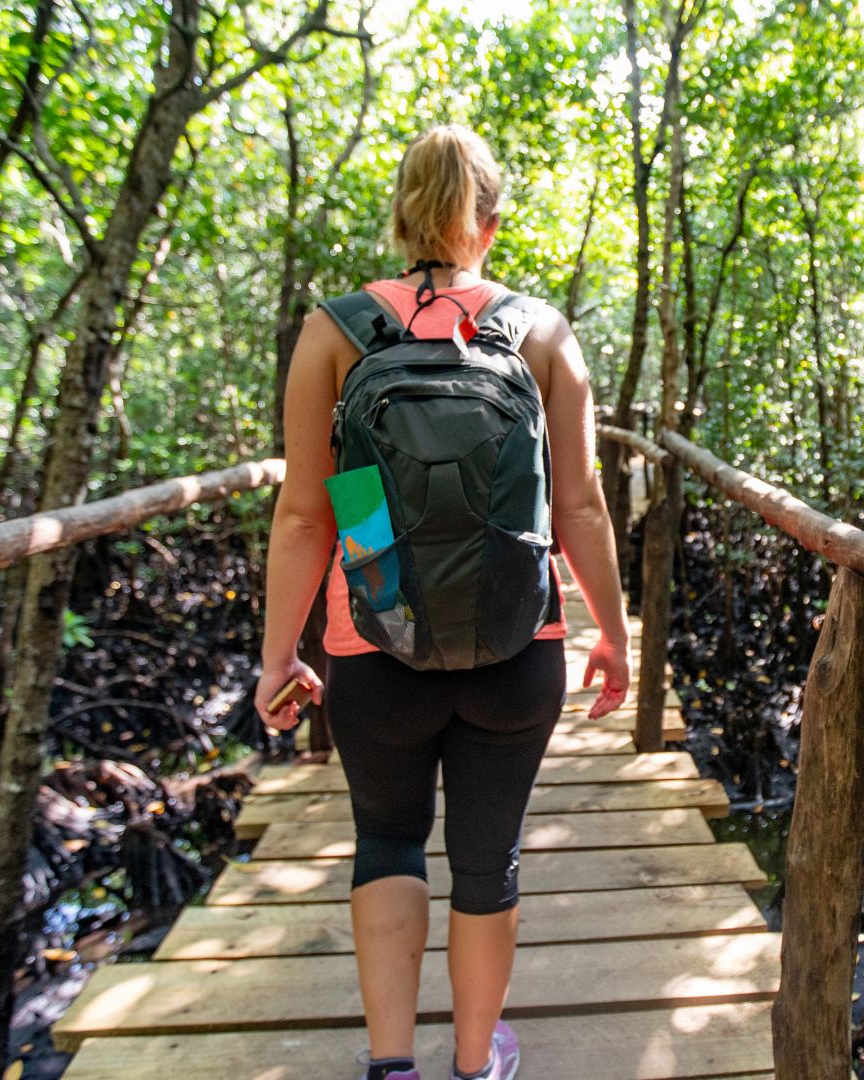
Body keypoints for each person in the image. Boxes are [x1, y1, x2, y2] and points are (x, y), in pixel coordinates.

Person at [254, 125, 632, 1080]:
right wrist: (614, 639)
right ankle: (475, 1065)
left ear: (399, 219)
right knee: (486, 860)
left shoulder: (333, 333)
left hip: (375, 643)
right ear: (489, 224)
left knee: (385, 840)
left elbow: (305, 516)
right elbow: (582, 506)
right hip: (517, 644)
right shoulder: (541, 332)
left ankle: (392, 1067)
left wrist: (278, 658)